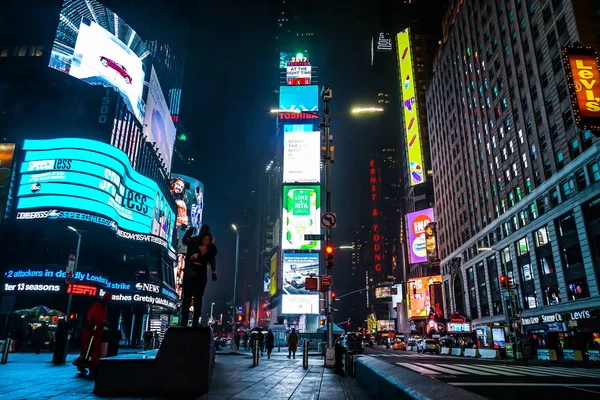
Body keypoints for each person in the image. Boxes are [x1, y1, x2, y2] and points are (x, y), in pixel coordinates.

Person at [181, 232, 217, 327]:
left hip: (201, 274)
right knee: (187, 298)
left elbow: (212, 261)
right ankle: (183, 322)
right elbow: (185, 240)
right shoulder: (193, 245)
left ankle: (195, 322)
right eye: (204, 239)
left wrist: (214, 272)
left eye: (208, 240)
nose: (206, 241)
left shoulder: (209, 252)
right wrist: (188, 233)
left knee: (198, 299)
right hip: (190, 272)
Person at [73, 293, 112, 373]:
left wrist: (108, 326)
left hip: (97, 332)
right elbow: (90, 318)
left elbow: (102, 320)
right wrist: (92, 327)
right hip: (91, 331)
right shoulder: (97, 306)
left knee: (95, 350)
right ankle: (84, 363)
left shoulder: (104, 308)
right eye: (107, 300)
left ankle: (93, 364)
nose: (108, 302)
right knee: (87, 349)